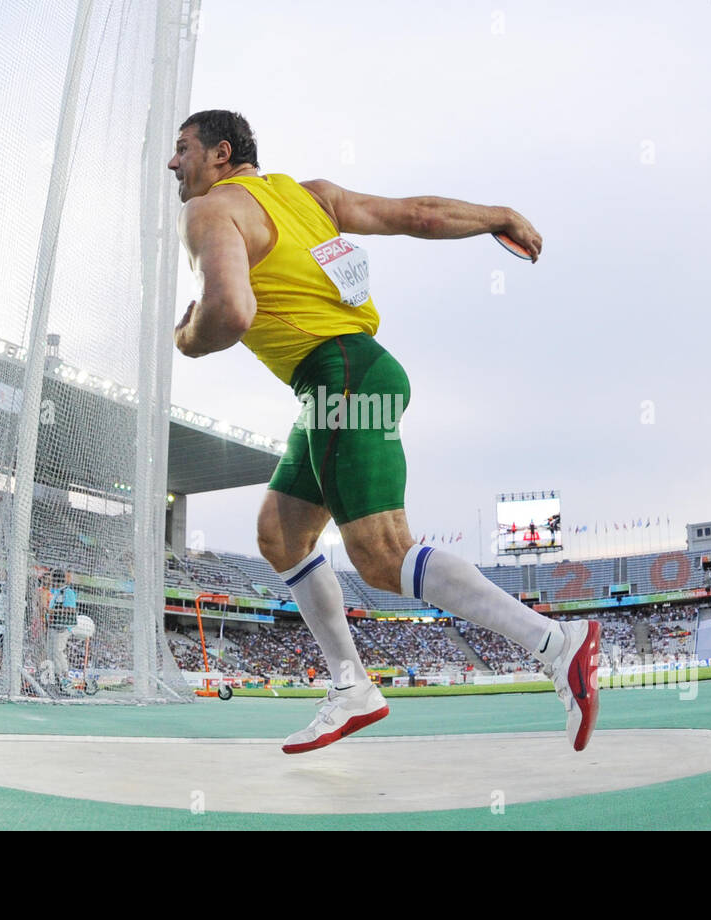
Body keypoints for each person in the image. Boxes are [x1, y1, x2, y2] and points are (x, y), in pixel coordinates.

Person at [168, 110, 600, 754]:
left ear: (220, 153)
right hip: (345, 377)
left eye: (181, 150)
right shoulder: (310, 196)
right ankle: (352, 686)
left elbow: (230, 312)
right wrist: (498, 215)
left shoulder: (210, 211)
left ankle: (556, 644)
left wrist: (186, 335)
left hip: (341, 376)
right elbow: (419, 214)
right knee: (281, 535)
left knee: (382, 556)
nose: (173, 164)